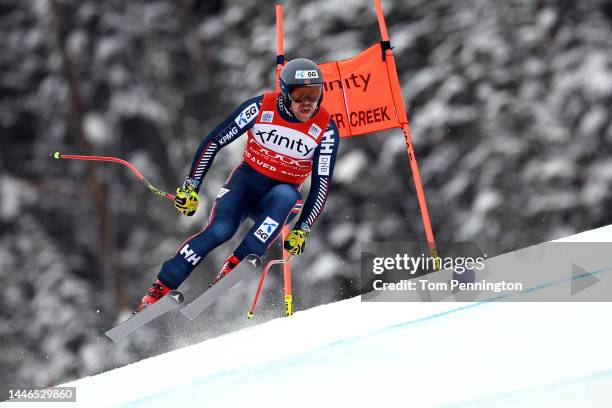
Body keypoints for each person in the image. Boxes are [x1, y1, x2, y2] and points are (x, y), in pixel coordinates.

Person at [135, 58, 341, 312]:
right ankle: (161, 287)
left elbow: (321, 182)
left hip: (276, 202)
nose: (307, 103)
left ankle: (237, 262)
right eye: (300, 96)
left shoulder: (326, 129)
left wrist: (304, 228)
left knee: (289, 196)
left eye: (314, 94)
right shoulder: (261, 108)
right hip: (245, 185)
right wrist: (191, 186)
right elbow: (214, 141)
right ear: (286, 93)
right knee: (221, 229)